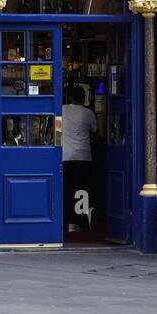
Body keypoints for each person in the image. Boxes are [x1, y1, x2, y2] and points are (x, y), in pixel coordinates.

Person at [60, 87, 98, 232]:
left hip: (66, 155)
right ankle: (78, 221)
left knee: (67, 189)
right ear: (83, 98)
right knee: (81, 189)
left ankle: (67, 220)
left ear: (70, 97)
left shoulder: (61, 110)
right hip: (83, 155)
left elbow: (57, 131)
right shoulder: (88, 113)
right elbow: (95, 131)